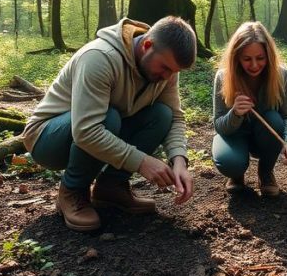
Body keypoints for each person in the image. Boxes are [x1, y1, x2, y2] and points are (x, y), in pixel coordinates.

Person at [23, 16, 197, 232]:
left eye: (173, 72)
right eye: (165, 68)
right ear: (147, 45)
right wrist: (141, 162)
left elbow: (176, 117)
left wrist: (179, 160)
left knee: (162, 114)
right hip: (48, 139)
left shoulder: (166, 70)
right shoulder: (99, 57)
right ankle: (72, 191)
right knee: (108, 117)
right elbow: (86, 131)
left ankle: (111, 188)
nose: (167, 77)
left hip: (99, 127)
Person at [212, 21, 287, 196]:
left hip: (266, 136)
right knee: (229, 163)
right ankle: (236, 174)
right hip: (235, 134)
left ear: (269, 56)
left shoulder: (282, 76)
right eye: (247, 59)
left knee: (275, 119)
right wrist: (235, 113)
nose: (254, 65)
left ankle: (266, 172)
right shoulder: (223, 77)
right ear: (236, 57)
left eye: (260, 58)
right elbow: (219, 126)